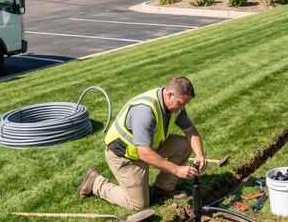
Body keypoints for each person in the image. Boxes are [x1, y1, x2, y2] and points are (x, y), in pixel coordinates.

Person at [77, 77, 207, 210]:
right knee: (138, 204)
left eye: (185, 104)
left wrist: (200, 154)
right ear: (169, 95)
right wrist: (176, 170)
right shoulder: (145, 112)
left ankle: (162, 188)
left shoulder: (175, 106)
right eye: (181, 103)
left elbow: (190, 130)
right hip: (125, 156)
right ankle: (95, 183)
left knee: (185, 145)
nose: (183, 107)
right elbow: (145, 153)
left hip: (149, 146)